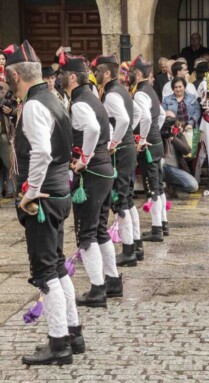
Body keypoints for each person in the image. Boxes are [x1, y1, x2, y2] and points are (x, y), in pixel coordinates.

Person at [4, 40, 81, 365]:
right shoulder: (53, 98)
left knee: (44, 270)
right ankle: (73, 334)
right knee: (56, 265)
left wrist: (30, 192)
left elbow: (43, 153)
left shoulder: (35, 105)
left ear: (15, 76)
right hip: (59, 192)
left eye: (6, 75)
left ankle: (59, 343)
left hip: (45, 197)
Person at [59, 52, 122, 308]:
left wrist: (83, 158)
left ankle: (97, 289)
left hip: (92, 173)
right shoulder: (93, 98)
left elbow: (94, 130)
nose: (58, 78)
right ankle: (113, 281)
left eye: (61, 74)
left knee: (86, 233)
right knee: (98, 230)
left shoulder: (80, 102)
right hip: (104, 170)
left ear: (72, 77)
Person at [92, 53, 142, 267]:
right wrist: (128, 136)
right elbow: (138, 113)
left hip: (120, 151)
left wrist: (114, 142)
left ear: (106, 73)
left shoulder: (112, 93)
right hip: (127, 147)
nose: (94, 75)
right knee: (127, 197)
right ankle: (135, 245)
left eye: (97, 72)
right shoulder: (121, 90)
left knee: (120, 200)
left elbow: (123, 119)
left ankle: (129, 251)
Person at [129, 54, 168, 242]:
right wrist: (155, 132)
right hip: (157, 142)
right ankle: (163, 223)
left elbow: (144, 117)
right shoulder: (151, 90)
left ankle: (157, 229)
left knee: (152, 187)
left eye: (131, 72)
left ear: (137, 74)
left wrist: (143, 139)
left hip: (149, 146)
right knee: (158, 185)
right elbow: (161, 115)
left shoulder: (140, 92)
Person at [162, 118, 199, 194]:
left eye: (175, 126)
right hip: (162, 167)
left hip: (175, 169)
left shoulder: (178, 135)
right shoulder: (158, 135)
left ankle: (174, 186)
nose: (174, 128)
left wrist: (174, 138)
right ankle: (164, 187)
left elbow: (187, 150)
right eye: (171, 126)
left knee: (193, 185)